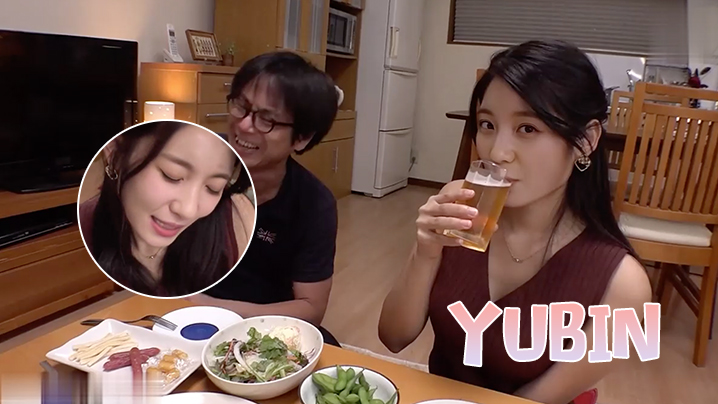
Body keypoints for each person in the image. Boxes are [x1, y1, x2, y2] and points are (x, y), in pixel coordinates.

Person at [377, 40, 652, 404]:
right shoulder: (462, 211)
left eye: (527, 129)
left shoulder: (624, 285)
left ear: (586, 141)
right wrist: (424, 252)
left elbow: (539, 399)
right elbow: (393, 337)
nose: (497, 152)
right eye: (487, 124)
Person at [187, 52, 341, 346]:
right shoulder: (192, 161)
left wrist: (210, 307)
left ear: (302, 138)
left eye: (267, 119)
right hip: (184, 315)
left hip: (265, 325)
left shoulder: (313, 203)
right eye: (241, 107)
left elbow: (310, 308)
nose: (245, 125)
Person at [79, 120, 255, 298]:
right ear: (115, 153)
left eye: (213, 188)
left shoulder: (235, 224)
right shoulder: (82, 233)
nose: (188, 211)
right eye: (172, 176)